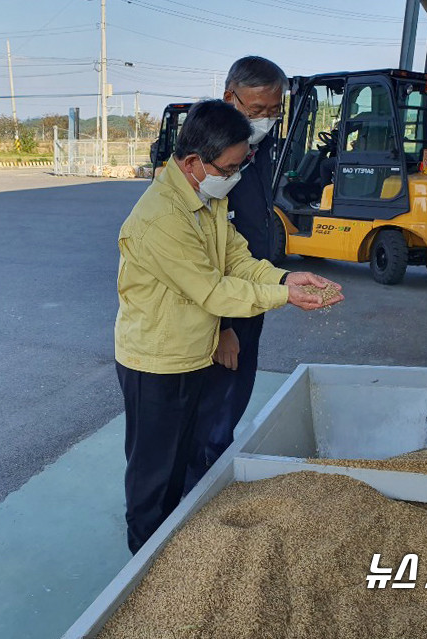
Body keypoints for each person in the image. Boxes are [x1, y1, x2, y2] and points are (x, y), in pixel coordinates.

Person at [114, 99, 343, 554]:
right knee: (152, 475)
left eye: (243, 164)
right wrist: (285, 296)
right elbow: (213, 291)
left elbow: (235, 258)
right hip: (156, 363)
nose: (236, 175)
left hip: (190, 354)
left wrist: (283, 276)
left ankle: (170, 544)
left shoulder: (204, 196)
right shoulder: (161, 219)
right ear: (195, 162)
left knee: (178, 462)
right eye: (231, 167)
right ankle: (143, 562)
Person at [186, 56, 340, 492]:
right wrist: (222, 328)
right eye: (256, 111)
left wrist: (280, 280)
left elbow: (246, 235)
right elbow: (201, 263)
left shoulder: (260, 148)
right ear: (228, 97)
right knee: (209, 416)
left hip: (252, 292)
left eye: (274, 111)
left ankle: (212, 478)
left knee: (232, 403)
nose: (266, 121)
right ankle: (196, 501)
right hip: (221, 310)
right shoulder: (209, 160)